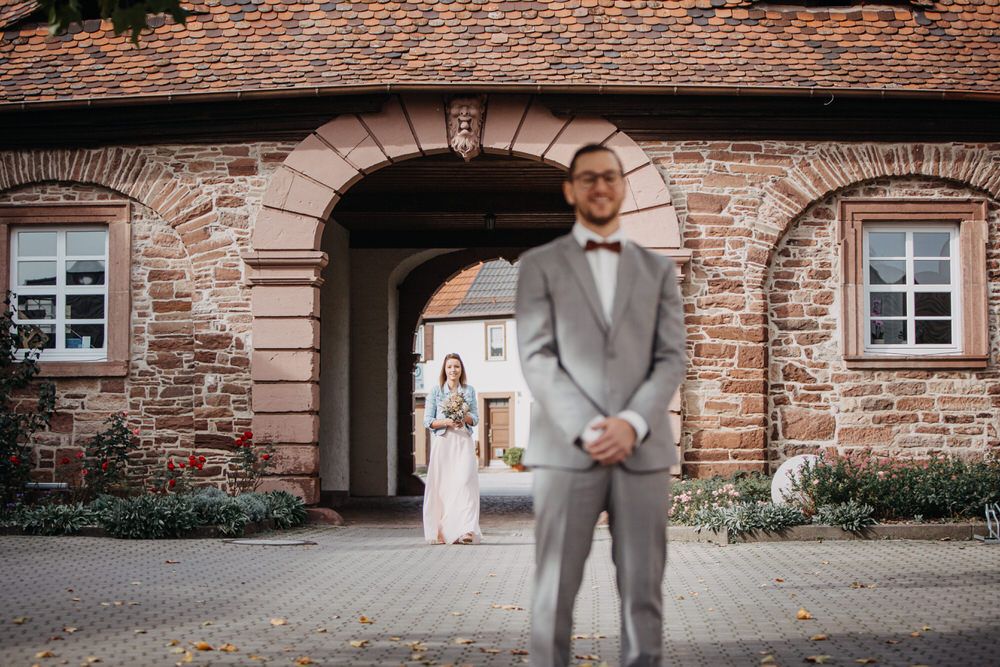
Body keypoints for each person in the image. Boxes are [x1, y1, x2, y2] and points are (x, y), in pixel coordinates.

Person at [516, 144, 686, 667]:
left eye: (609, 176)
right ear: (570, 190)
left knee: (643, 593)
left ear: (622, 185)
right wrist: (589, 426)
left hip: (644, 453)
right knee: (554, 591)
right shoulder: (538, 265)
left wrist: (632, 423)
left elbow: (672, 356)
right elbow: (536, 355)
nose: (600, 186)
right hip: (566, 450)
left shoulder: (658, 271)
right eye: (587, 177)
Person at [422, 352, 482, 545]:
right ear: (444, 370)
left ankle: (467, 529)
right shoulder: (435, 391)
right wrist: (447, 421)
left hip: (463, 440)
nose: (453, 370)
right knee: (444, 487)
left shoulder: (469, 390)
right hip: (444, 442)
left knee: (465, 483)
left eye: (456, 366)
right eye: (450, 367)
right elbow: (427, 421)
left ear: (461, 369)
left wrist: (463, 417)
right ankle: (442, 530)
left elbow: (476, 418)